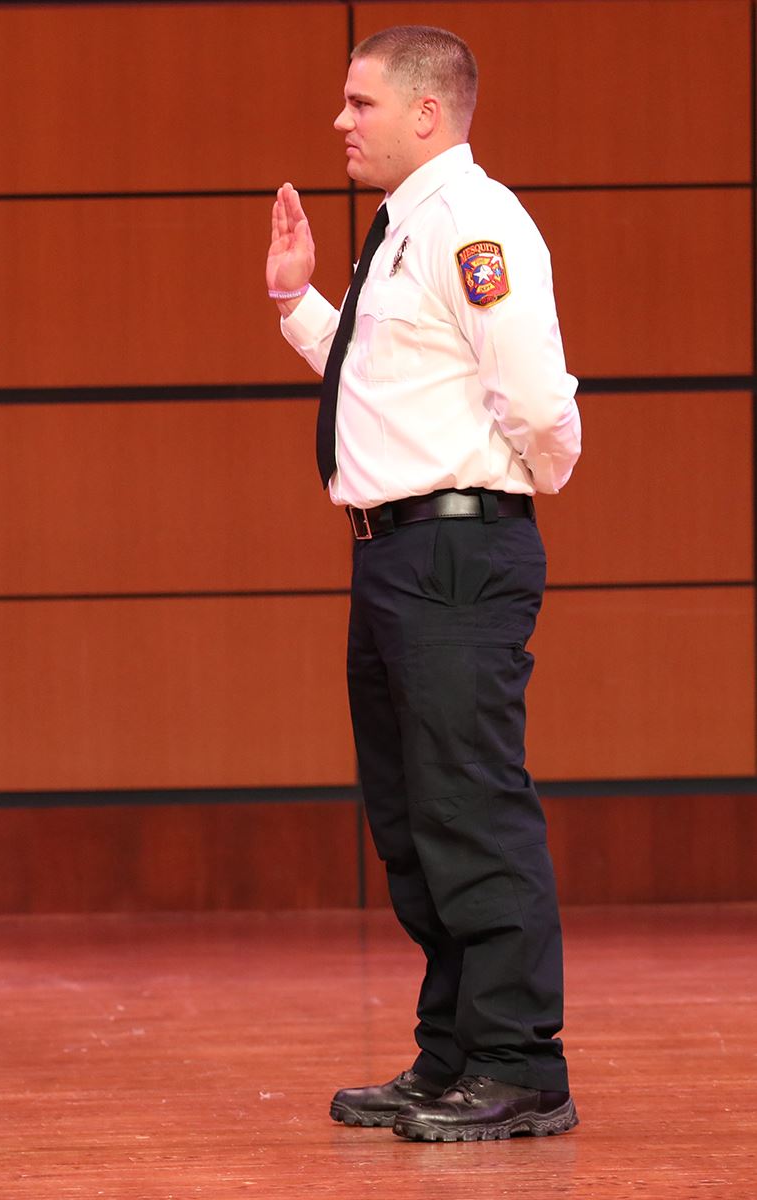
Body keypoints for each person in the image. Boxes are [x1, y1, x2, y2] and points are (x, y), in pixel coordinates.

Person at [266, 26, 582, 1142]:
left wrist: (508, 492)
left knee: (470, 806)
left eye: (358, 104)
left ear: (426, 114)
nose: (340, 123)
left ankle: (518, 1062)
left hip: (454, 552)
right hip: (395, 553)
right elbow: (399, 384)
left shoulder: (476, 223)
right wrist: (299, 305)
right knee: (413, 817)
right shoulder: (402, 228)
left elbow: (538, 403)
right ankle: (450, 1053)